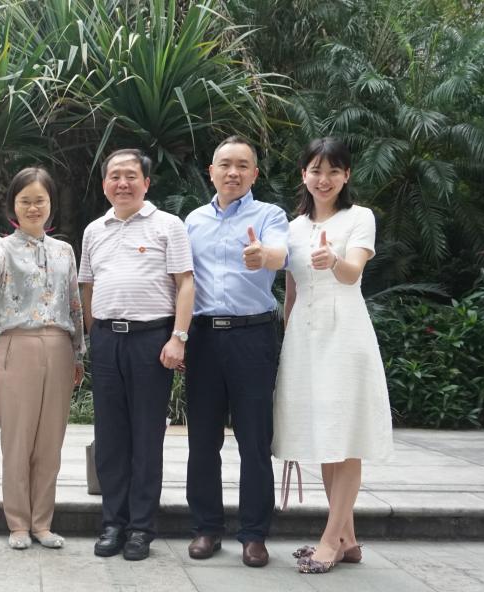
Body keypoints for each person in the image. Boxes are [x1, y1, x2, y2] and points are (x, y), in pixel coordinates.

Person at [272, 138, 393, 574]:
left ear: (347, 176)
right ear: (303, 174)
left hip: (345, 334)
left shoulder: (360, 217)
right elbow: (291, 292)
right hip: (304, 337)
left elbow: (353, 272)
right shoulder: (292, 228)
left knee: (346, 437)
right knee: (326, 437)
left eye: (333, 171)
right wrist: (287, 341)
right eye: (316, 170)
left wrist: (334, 260)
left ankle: (329, 539)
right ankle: (348, 539)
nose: (324, 179)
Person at [79, 149, 195, 561]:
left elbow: (185, 283)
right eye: (115, 176)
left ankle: (141, 527)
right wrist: (93, 336)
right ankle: (113, 522)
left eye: (131, 175)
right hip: (107, 341)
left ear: (146, 183)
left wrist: (178, 337)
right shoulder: (94, 230)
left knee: (146, 436)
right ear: (104, 184)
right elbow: (87, 287)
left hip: (151, 340)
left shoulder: (168, 225)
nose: (122, 183)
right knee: (110, 437)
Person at [0, 167, 86, 551]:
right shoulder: (3, 247)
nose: (33, 207)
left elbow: (75, 305)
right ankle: (18, 523)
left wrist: (79, 355)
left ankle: (42, 523)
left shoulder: (65, 251)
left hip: (60, 348)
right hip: (17, 347)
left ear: (51, 204)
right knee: (17, 440)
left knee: (50, 443)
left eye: (40, 200)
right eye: (25, 201)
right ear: (13, 206)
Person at [184, 136, 289, 567]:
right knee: (202, 439)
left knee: (254, 439)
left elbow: (281, 254)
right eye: (225, 164)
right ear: (210, 172)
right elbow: (180, 280)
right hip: (204, 338)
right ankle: (206, 528)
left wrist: (263, 255)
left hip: (253, 336)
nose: (233, 172)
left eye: (242, 165)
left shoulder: (269, 215)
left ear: (254, 174)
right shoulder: (192, 221)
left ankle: (254, 534)